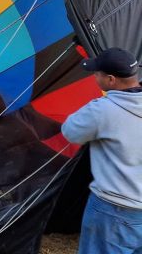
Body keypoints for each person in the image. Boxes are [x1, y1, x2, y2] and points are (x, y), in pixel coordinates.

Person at [60, 47, 142, 253]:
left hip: (113, 210)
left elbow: (70, 132)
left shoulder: (103, 110)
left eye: (97, 74)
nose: (95, 77)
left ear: (111, 80)